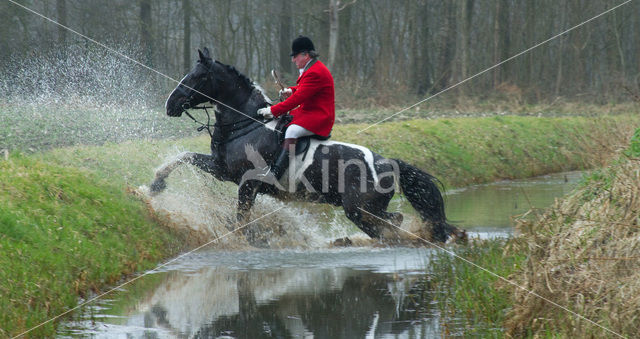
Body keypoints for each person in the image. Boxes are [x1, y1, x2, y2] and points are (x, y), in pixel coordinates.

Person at [257, 35, 335, 182]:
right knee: (282, 123)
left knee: (292, 130)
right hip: (310, 112)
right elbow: (303, 89)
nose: (293, 60)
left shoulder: (315, 72)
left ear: (305, 55)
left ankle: (276, 173)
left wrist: (273, 110)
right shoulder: (312, 67)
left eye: (295, 56)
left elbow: (298, 99)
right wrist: (291, 90)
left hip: (320, 117)